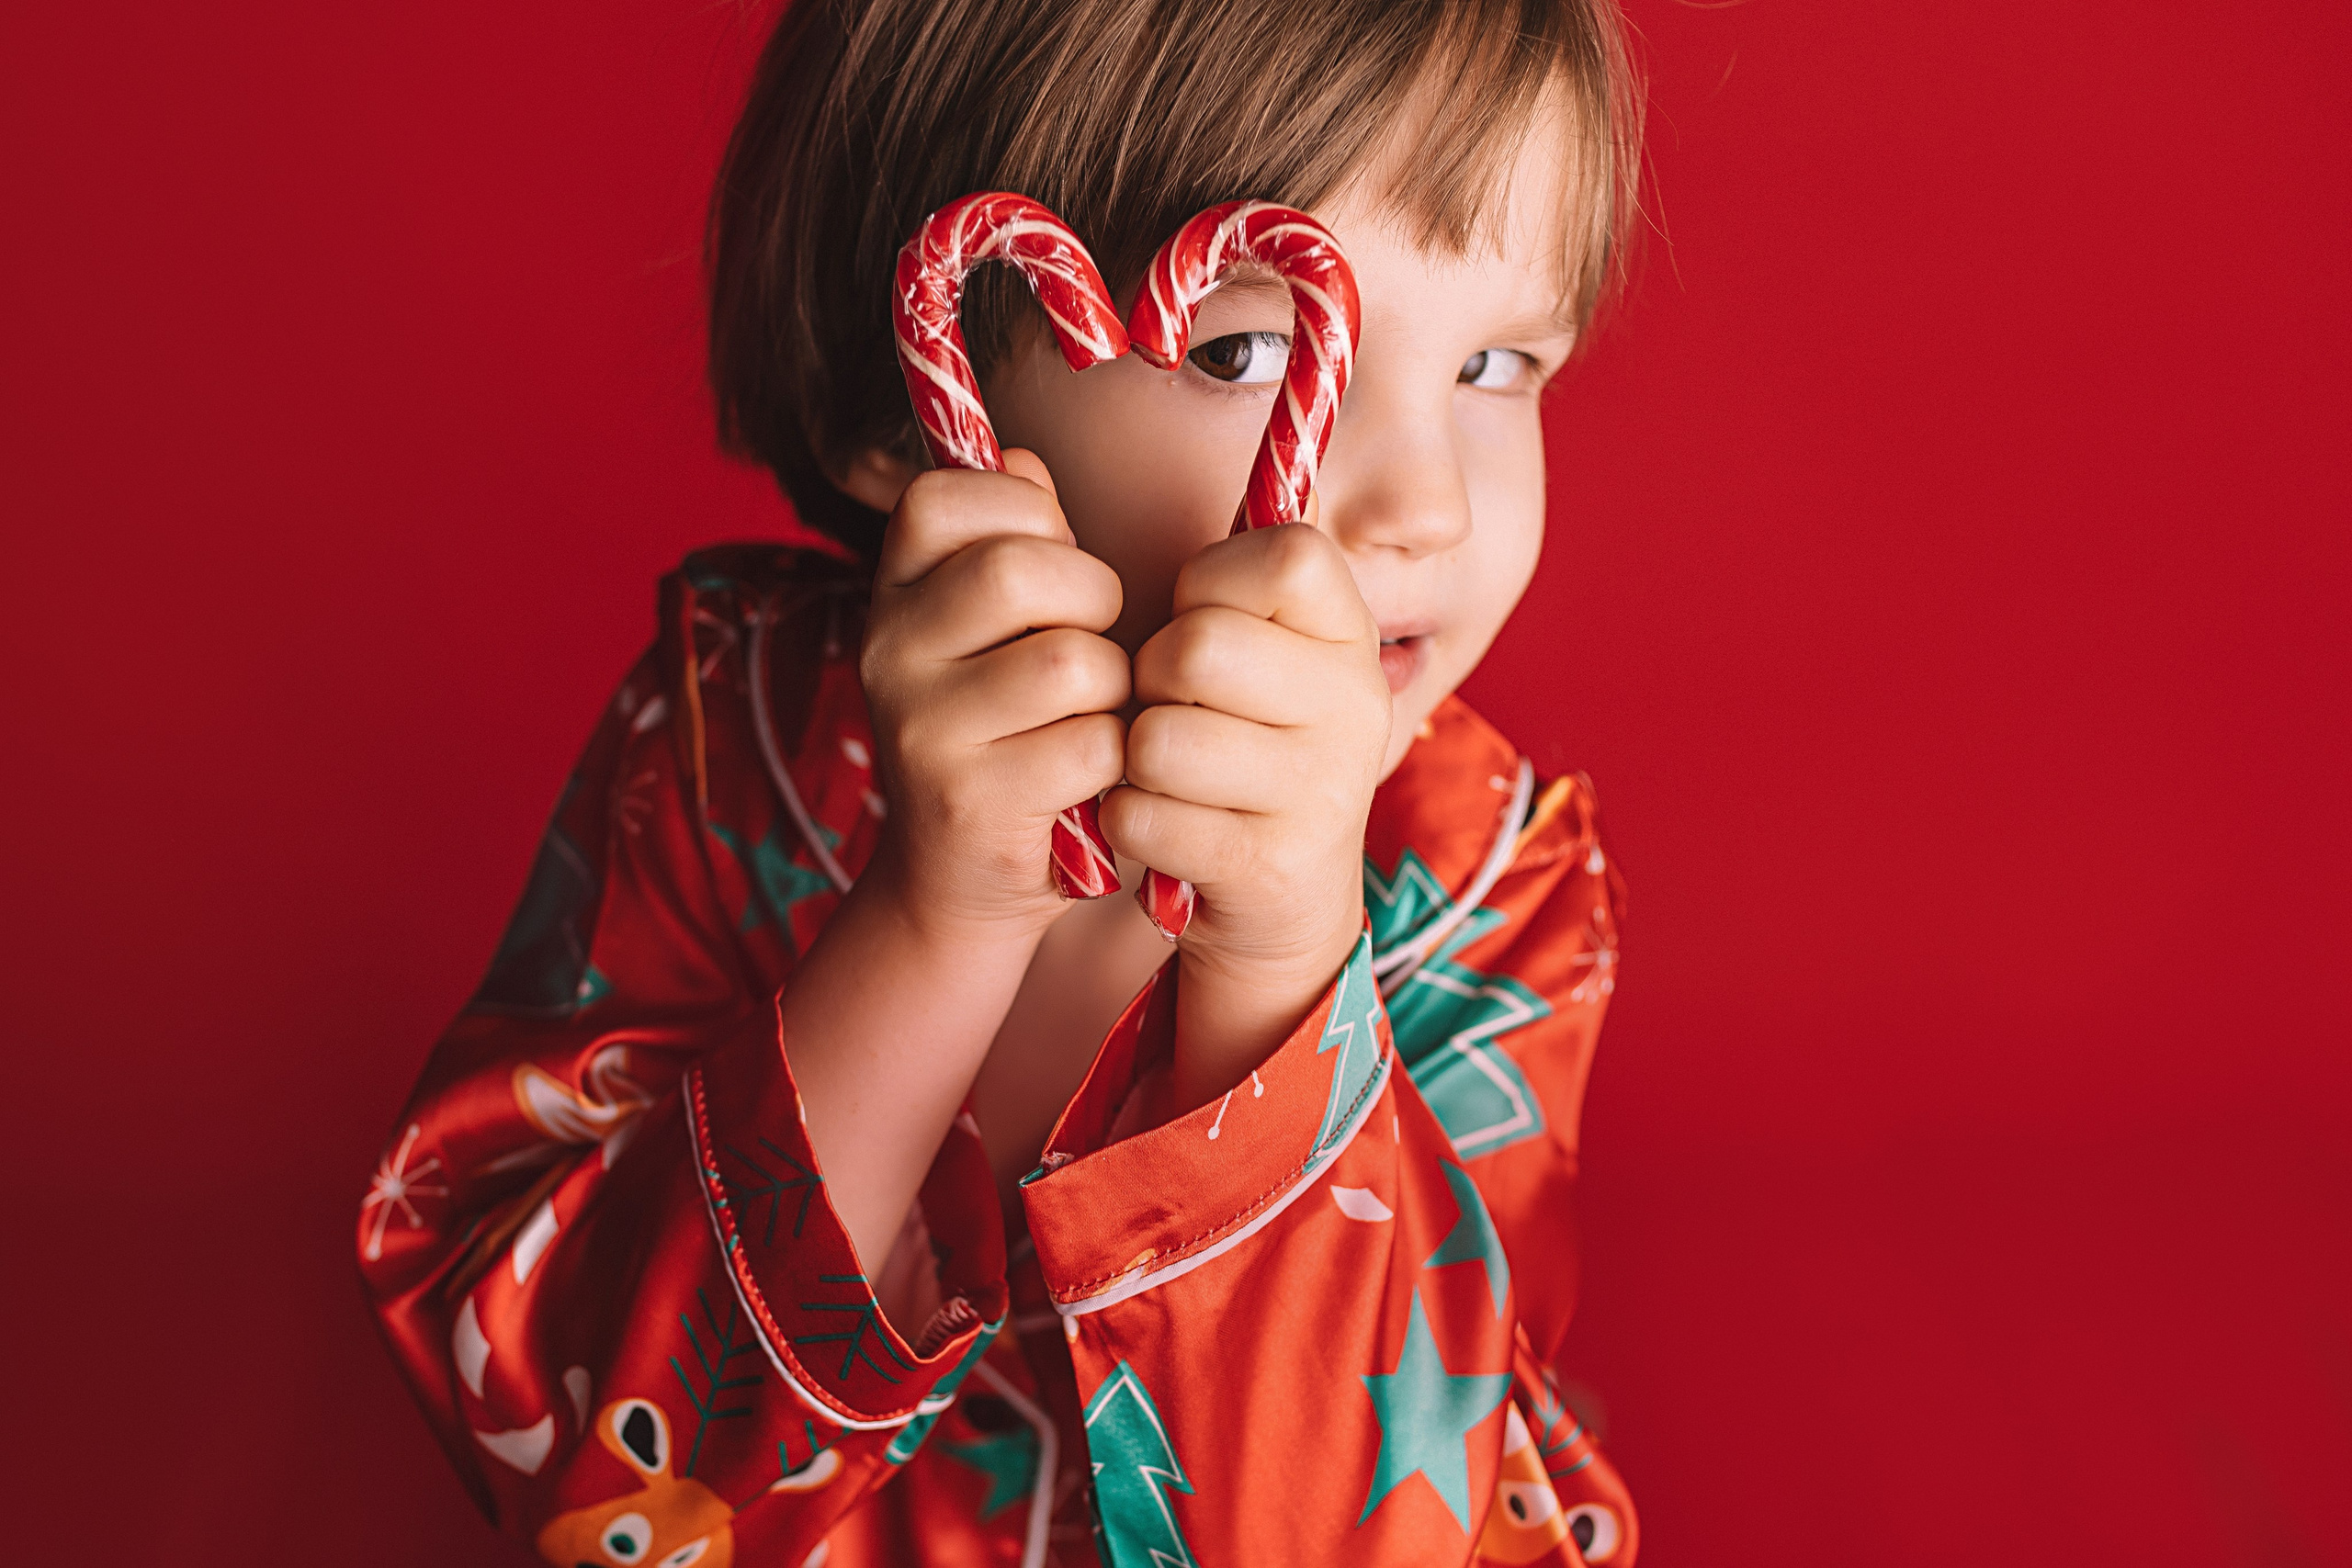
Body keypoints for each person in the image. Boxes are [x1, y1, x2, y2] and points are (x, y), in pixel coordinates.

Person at [356, 0, 1646, 1562]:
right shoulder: (724, 754)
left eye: (1499, 363)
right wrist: (938, 914)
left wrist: (1284, 965)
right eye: (1248, 350)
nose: (1425, 502)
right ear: (923, 402)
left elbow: (1405, 1534)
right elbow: (591, 1484)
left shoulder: (1484, 892)